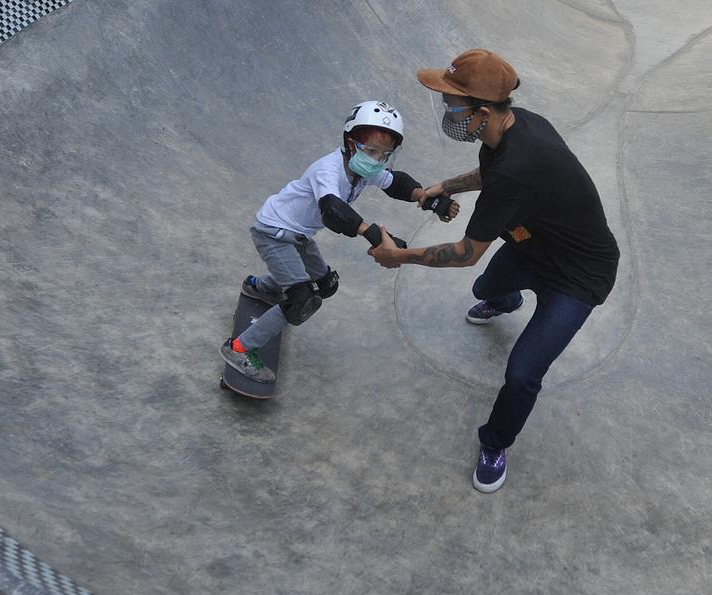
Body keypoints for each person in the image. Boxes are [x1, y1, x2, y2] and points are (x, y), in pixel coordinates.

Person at [368, 49, 620, 494]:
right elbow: (490, 171)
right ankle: (507, 299)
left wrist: (398, 257)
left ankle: (495, 443)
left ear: (482, 113)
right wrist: (442, 187)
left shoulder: (517, 173)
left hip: (581, 276)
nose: (447, 114)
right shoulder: (516, 127)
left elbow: (466, 252)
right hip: (535, 247)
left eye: (452, 106)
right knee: (488, 287)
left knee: (522, 373)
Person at [220, 100, 458, 383]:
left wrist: (425, 197)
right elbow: (333, 210)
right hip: (273, 232)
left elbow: (395, 183)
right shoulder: (329, 170)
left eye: (384, 155)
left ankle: (262, 287)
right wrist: (373, 234)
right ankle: (238, 349)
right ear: (349, 141)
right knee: (302, 300)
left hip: (298, 235)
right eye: (370, 150)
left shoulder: (364, 170)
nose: (376, 159)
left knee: (325, 285)